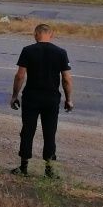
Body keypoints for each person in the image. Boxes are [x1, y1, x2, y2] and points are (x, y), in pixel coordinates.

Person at [9, 24, 73, 178]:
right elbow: (66, 79)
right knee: (50, 133)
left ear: (35, 34)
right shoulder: (61, 52)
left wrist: (14, 96)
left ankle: (23, 167)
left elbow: (20, 76)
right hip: (51, 99)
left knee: (27, 131)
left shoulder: (28, 50)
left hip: (32, 97)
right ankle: (49, 170)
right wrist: (69, 99)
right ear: (51, 35)